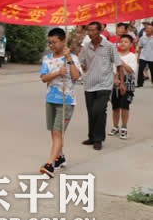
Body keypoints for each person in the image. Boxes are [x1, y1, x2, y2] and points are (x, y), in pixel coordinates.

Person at [38, 28, 81, 178]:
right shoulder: (47, 59)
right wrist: (57, 72)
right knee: (54, 132)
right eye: (49, 42)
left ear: (63, 41)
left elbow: (76, 77)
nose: (51, 45)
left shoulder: (72, 58)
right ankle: (60, 156)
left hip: (66, 101)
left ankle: (50, 164)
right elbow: (43, 78)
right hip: (51, 99)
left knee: (57, 132)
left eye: (54, 42)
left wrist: (68, 59)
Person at [79, 22, 124, 151]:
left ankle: (99, 139)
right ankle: (92, 137)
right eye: (89, 30)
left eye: (93, 30)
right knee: (91, 111)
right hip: (89, 84)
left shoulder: (109, 46)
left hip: (105, 84)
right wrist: (82, 67)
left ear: (100, 31)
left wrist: (121, 82)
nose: (90, 33)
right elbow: (82, 63)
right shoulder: (86, 47)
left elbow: (119, 64)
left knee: (98, 110)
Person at [109, 34, 137, 140]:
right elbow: (112, 70)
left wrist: (121, 62)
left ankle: (124, 127)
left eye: (126, 42)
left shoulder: (132, 56)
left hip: (127, 83)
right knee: (115, 106)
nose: (123, 43)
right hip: (115, 83)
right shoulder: (115, 55)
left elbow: (130, 70)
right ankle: (115, 126)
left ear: (130, 45)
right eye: (121, 41)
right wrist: (114, 79)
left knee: (125, 106)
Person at [137, 23, 153, 87]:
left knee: (152, 70)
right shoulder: (142, 38)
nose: (148, 30)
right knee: (140, 70)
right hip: (143, 56)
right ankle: (140, 83)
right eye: (147, 28)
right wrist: (138, 57)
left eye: (150, 28)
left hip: (152, 57)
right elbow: (140, 47)